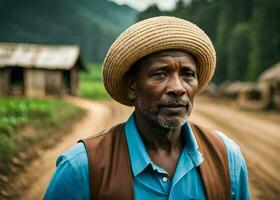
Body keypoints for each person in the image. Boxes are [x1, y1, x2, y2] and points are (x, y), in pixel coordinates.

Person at [44, 16, 251, 200]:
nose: (178, 88)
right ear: (133, 86)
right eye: (160, 74)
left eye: (187, 74)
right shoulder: (81, 168)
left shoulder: (228, 159)